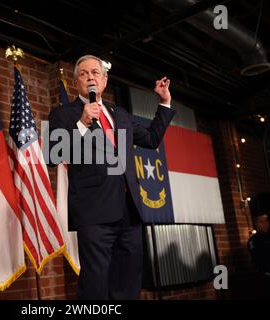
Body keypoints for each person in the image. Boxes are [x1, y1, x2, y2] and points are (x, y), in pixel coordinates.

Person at [48, 55, 175, 299]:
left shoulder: (121, 115)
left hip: (129, 210)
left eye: (95, 72)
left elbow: (151, 139)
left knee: (127, 282)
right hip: (94, 212)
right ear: (76, 83)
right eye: (84, 74)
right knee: (95, 285)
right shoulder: (63, 114)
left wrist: (164, 103)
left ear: (105, 80)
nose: (90, 77)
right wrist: (83, 123)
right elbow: (52, 156)